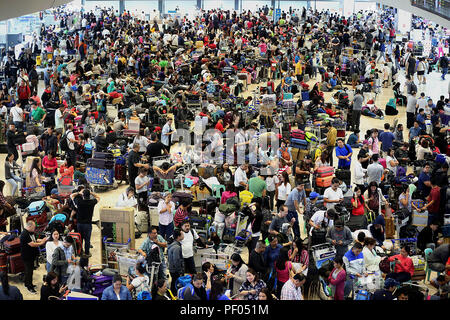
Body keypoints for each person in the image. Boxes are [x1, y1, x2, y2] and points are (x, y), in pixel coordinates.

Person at [20, 221, 49, 294]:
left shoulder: (31, 232)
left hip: (31, 255)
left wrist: (43, 240)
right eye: (33, 228)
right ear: (29, 226)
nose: (34, 229)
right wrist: (41, 243)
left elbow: (34, 240)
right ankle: (28, 286)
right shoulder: (24, 234)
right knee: (28, 272)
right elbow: (32, 244)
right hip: (26, 256)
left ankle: (30, 284)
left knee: (31, 270)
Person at [70, 189, 99, 258]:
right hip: (88, 224)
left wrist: (78, 193)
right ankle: (87, 253)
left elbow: (71, 195)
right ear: (89, 196)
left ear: (82, 195)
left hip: (79, 224)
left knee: (80, 239)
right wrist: (91, 192)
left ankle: (80, 252)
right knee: (87, 239)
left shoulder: (79, 202)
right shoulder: (92, 202)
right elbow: (98, 197)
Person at [168, 228, 185, 294]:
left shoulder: (173, 245)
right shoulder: (176, 247)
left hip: (172, 268)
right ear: (178, 237)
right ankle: (174, 295)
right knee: (175, 284)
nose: (183, 235)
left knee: (173, 282)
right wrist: (180, 271)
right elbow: (176, 260)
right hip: (175, 270)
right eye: (182, 234)